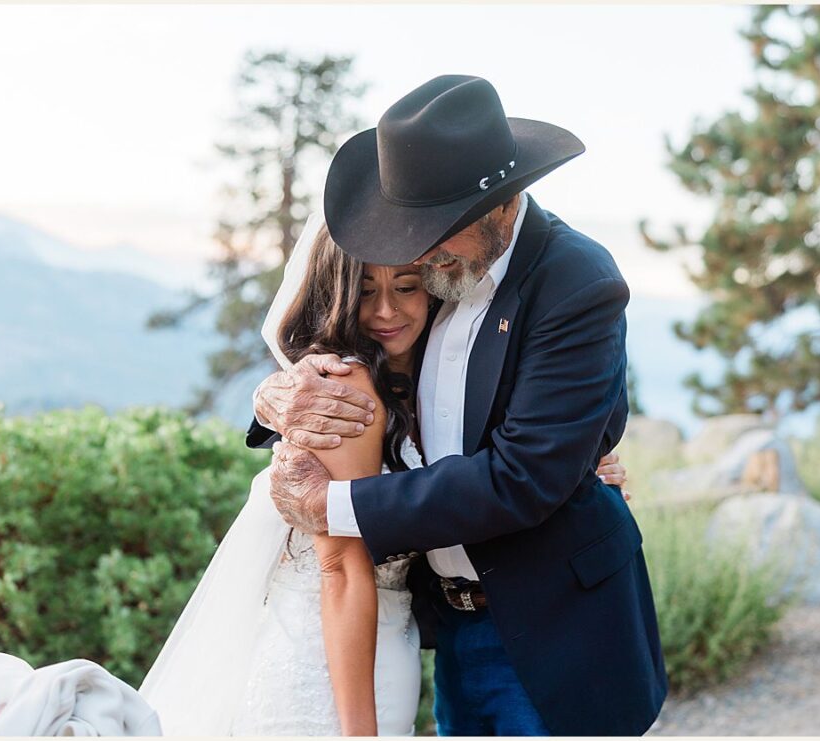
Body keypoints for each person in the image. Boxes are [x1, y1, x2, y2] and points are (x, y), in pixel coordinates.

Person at [256, 74, 667, 736]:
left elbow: (525, 476)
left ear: (503, 205)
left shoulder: (577, 283)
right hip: (449, 621)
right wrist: (275, 397)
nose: (416, 251)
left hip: (556, 627)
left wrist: (332, 506)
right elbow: (368, 363)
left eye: (438, 230)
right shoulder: (435, 273)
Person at [140, 217, 628, 735]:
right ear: (338, 295)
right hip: (328, 657)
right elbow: (341, 570)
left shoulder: (432, 367)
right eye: (365, 290)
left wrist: (575, 464)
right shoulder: (343, 388)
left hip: (405, 636)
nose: (385, 311)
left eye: (406, 287)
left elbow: (517, 455)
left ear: (433, 287)